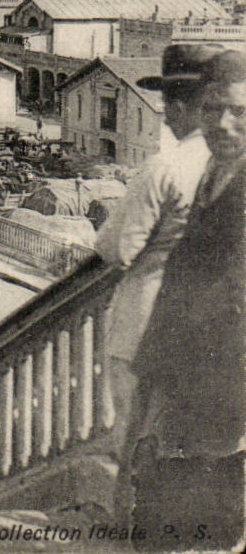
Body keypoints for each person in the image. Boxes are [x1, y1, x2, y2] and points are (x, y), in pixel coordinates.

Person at [125, 50, 246, 551]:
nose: (223, 123)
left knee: (201, 521)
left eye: (239, 110)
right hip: (187, 372)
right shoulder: (216, 172)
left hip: (224, 383)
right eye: (213, 109)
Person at [94, 43, 219, 513]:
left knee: (133, 432)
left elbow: (116, 249)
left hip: (145, 320)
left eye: (168, 104)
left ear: (184, 106)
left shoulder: (164, 167)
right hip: (205, 326)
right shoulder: (229, 167)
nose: (165, 116)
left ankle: (128, 523)